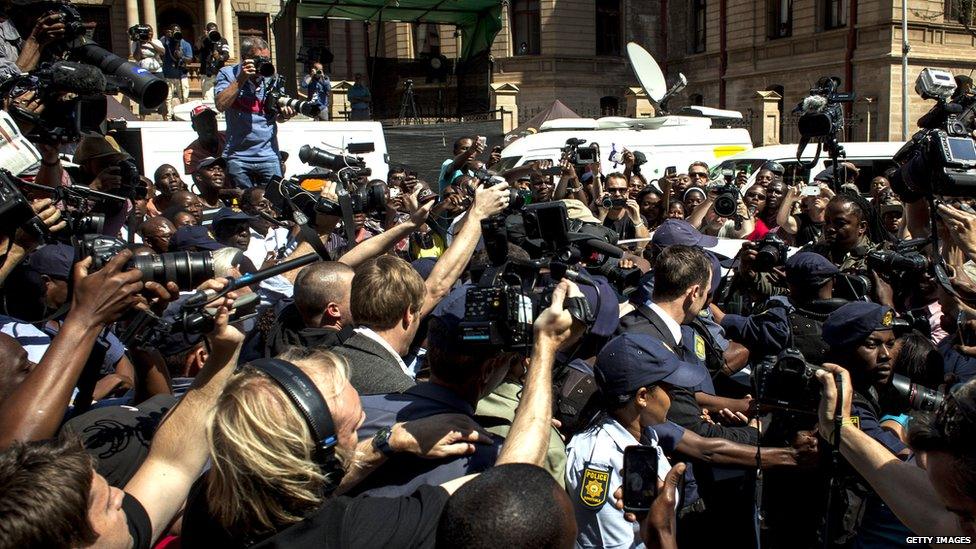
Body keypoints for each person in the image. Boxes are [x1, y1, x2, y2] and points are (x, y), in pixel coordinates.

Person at [566, 333, 696, 548]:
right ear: (642, 396)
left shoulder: (644, 435)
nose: (674, 396)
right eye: (670, 388)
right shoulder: (600, 460)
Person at [215, 36, 295, 189]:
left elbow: (277, 117)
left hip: (268, 155)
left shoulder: (272, 79)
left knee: (274, 203)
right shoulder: (228, 74)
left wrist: (285, 114)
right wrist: (242, 78)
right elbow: (220, 104)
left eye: (267, 59)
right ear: (245, 58)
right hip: (238, 157)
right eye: (259, 59)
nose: (264, 64)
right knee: (244, 205)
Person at [597, 172, 651, 242]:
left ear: (627, 191)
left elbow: (644, 243)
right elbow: (593, 242)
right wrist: (602, 215)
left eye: (622, 190)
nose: (617, 194)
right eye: (612, 190)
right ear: (605, 191)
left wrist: (637, 220)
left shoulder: (635, 216)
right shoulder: (595, 215)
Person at [129, 25, 165, 119]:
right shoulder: (136, 42)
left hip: (157, 70)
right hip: (144, 70)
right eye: (147, 32)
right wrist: (138, 44)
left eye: (150, 32)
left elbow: (162, 52)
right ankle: (143, 116)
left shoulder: (156, 41)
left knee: (161, 91)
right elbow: (137, 57)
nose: (149, 34)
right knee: (144, 91)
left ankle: (164, 114)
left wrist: (150, 43)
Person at [183, 105, 226, 175]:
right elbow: (198, 180)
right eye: (202, 123)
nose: (208, 127)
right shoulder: (191, 154)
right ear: (194, 127)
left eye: (210, 121)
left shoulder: (229, 138)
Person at [161, 25, 193, 118]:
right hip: (168, 75)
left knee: (184, 98)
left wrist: (181, 56)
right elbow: (159, 48)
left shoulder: (186, 44)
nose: (176, 32)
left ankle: (182, 116)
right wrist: (166, 36)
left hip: (181, 75)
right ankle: (169, 117)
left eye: (177, 31)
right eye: (173, 31)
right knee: (168, 98)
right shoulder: (166, 42)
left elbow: (190, 60)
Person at [197, 22, 229, 102]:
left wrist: (220, 57)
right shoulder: (203, 40)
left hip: (219, 73)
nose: (213, 33)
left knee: (221, 97)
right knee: (207, 99)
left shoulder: (223, 40)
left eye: (215, 31)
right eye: (211, 31)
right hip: (206, 73)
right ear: (206, 31)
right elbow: (196, 53)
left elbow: (226, 55)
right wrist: (204, 38)